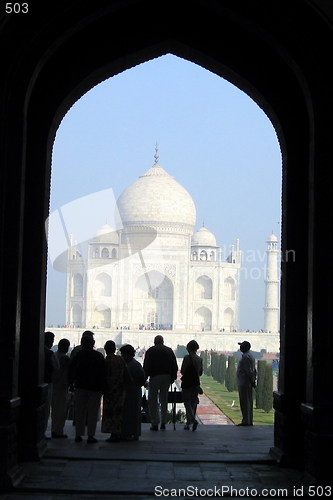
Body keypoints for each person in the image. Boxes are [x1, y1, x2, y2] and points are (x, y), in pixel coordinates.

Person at [68, 334, 106, 443]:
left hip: (81, 386)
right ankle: (90, 435)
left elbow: (72, 370)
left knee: (80, 411)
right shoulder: (98, 356)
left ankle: (78, 435)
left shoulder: (78, 355)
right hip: (95, 388)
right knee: (93, 412)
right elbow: (103, 373)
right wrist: (103, 388)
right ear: (93, 344)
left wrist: (71, 384)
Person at [143, 335, 178, 431]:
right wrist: (173, 378)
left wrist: (144, 378)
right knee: (164, 400)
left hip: (155, 377)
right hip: (166, 377)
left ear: (155, 342)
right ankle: (163, 422)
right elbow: (174, 365)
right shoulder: (169, 351)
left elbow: (146, 365)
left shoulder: (151, 351)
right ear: (163, 342)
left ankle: (155, 423)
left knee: (152, 400)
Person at [102, 340, 128, 442]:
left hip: (109, 391)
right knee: (118, 413)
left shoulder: (106, 360)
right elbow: (126, 374)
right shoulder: (120, 360)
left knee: (110, 413)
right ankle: (117, 432)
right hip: (119, 390)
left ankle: (113, 434)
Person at [119, 344, 145, 441]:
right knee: (133, 413)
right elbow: (142, 378)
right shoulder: (135, 364)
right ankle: (134, 432)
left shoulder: (131, 364)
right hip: (134, 390)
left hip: (131, 391)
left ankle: (127, 432)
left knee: (127, 413)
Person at [180, 340, 203, 431]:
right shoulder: (199, 359)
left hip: (187, 383)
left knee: (187, 403)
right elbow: (200, 373)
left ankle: (192, 420)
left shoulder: (187, 358)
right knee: (193, 403)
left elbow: (182, 371)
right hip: (195, 383)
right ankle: (189, 422)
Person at [51, 338, 71, 438]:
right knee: (60, 411)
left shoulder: (54, 355)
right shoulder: (65, 359)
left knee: (54, 410)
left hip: (53, 385)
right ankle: (58, 431)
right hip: (62, 386)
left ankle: (54, 429)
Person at [236, 340, 257, 426]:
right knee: (247, 402)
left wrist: (252, 381)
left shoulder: (246, 357)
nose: (240, 347)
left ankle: (246, 421)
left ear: (245, 347)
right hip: (245, 382)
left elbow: (249, 371)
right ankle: (248, 420)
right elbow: (253, 370)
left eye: (241, 346)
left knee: (245, 402)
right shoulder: (249, 356)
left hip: (245, 382)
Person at [44, 331, 59, 439]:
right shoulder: (49, 353)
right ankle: (42, 432)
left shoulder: (37, 350)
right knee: (45, 409)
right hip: (47, 383)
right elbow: (56, 367)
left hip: (39, 383)